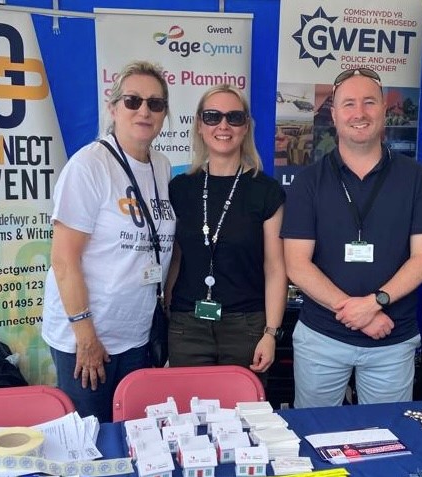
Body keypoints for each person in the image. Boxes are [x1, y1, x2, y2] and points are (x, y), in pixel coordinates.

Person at [281, 68, 422, 408]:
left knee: (386, 433)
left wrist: (373, 304)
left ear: (384, 109)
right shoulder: (308, 181)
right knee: (315, 432)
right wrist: (356, 313)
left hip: (391, 338)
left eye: (369, 102)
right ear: (334, 115)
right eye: (349, 104)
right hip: (322, 338)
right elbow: (296, 264)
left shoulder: (416, 179)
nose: (359, 113)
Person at [42, 61, 176, 422]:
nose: (144, 111)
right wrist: (85, 336)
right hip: (87, 338)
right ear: (113, 107)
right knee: (93, 438)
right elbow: (64, 260)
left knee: (135, 434)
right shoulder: (89, 166)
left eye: (155, 103)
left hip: (136, 334)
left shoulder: (161, 166)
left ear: (164, 113)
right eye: (133, 101)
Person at [166, 85, 286, 374]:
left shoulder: (266, 191)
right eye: (212, 116)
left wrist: (271, 333)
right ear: (199, 125)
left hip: (246, 327)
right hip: (187, 325)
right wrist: (169, 312)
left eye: (234, 117)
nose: (223, 125)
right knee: (189, 403)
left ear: (246, 127)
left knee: (242, 404)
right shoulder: (180, 188)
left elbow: (275, 268)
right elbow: (176, 259)